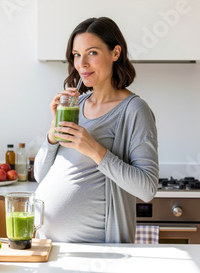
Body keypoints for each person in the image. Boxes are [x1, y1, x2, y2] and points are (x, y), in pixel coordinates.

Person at [34, 17, 159, 243]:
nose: (82, 63)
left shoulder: (134, 110)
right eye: (76, 54)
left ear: (115, 53)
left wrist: (94, 149)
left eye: (92, 53)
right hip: (49, 246)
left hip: (98, 252)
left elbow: (147, 188)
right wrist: (52, 135)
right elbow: (40, 176)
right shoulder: (75, 105)